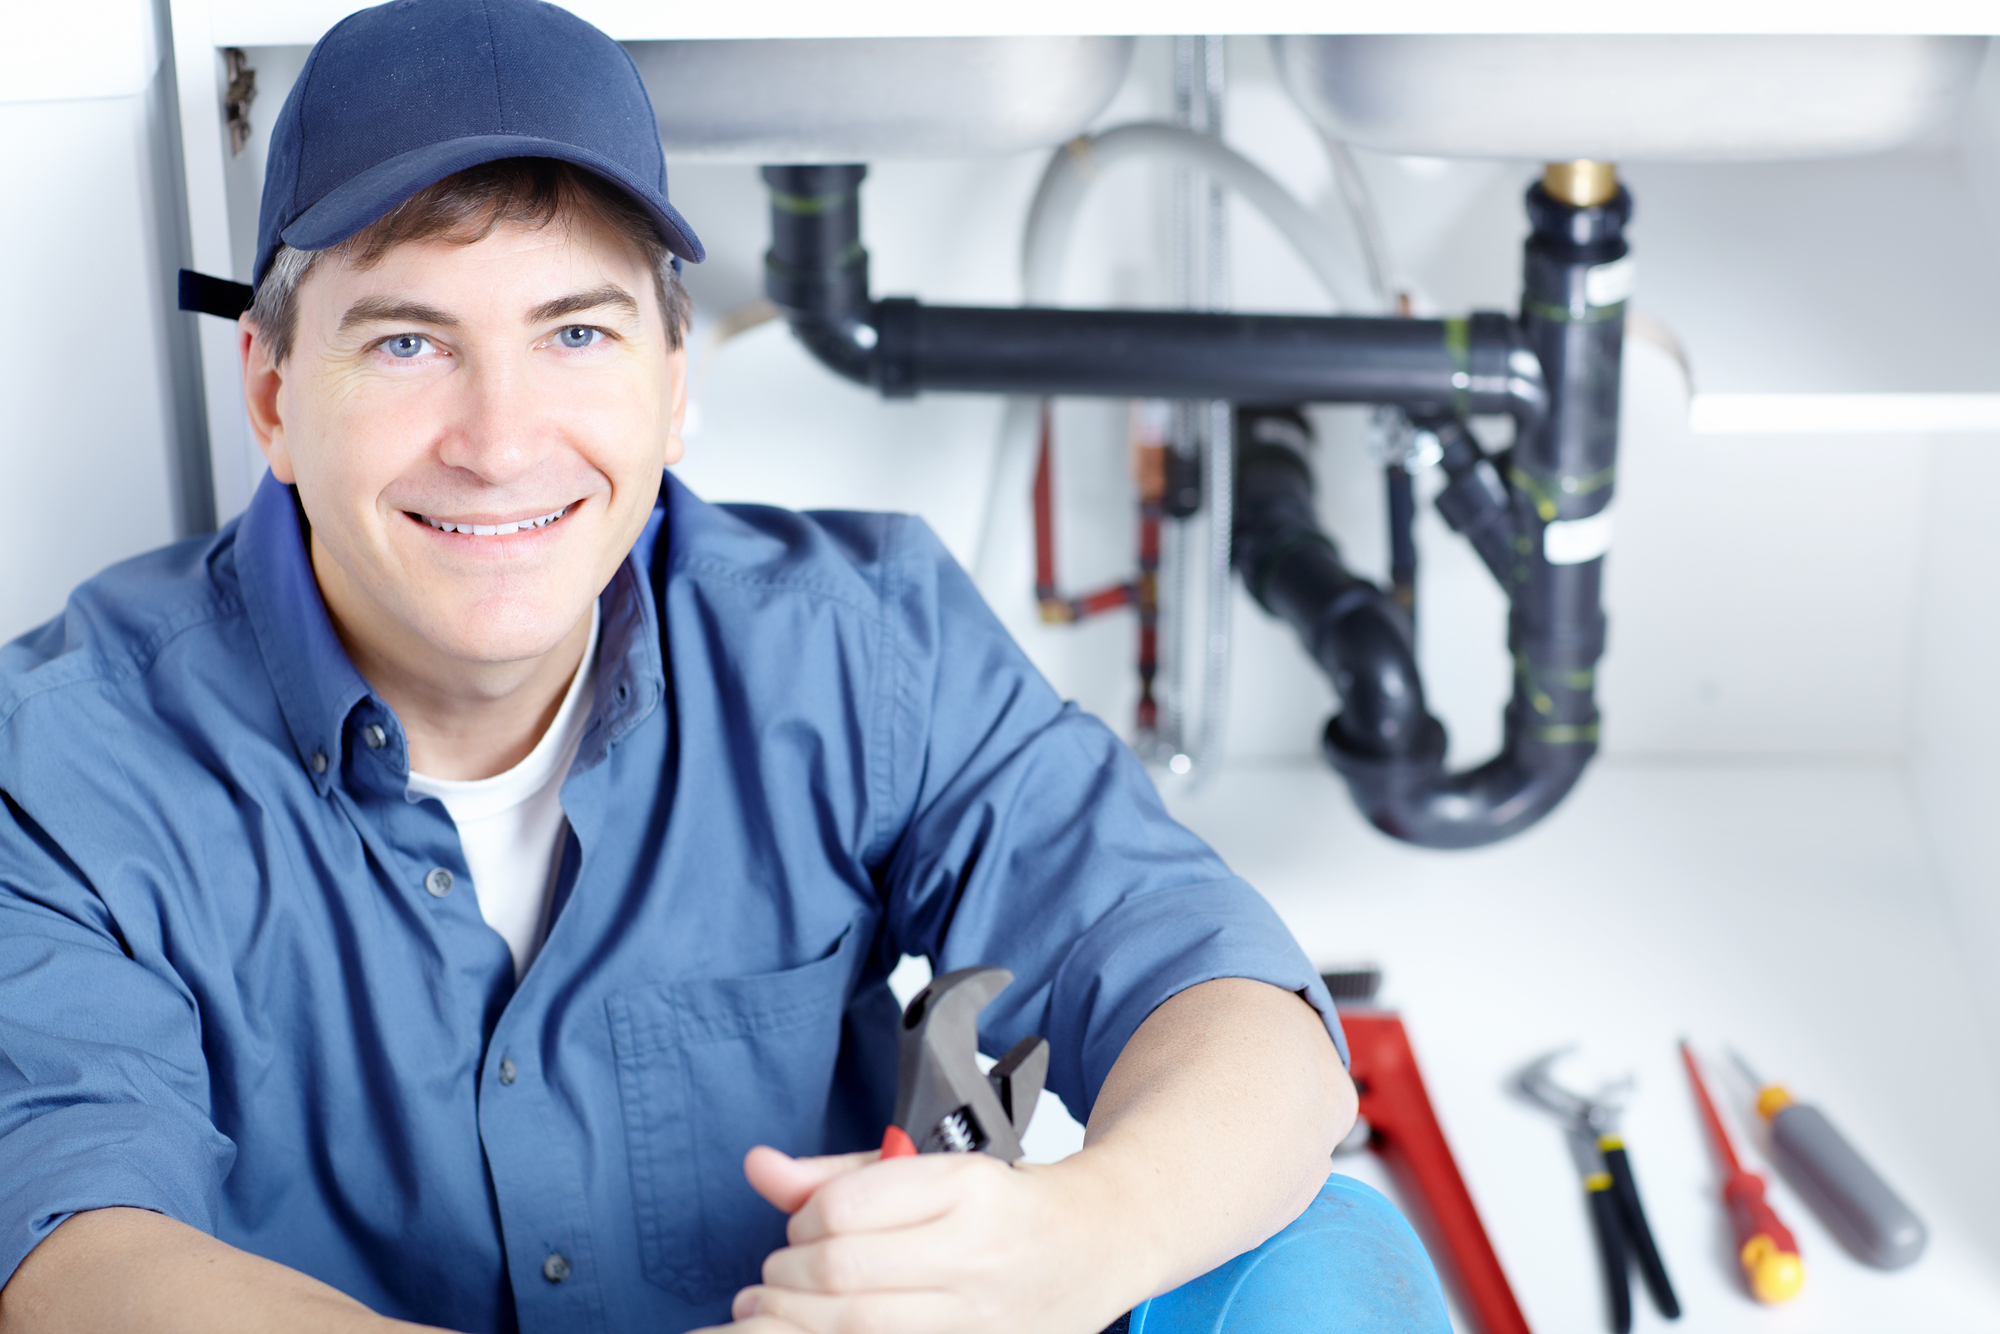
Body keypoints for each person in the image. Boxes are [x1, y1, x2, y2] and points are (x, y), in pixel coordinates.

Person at [0, 2, 1450, 1331]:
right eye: (406, 343)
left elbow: (1223, 988)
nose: (500, 439)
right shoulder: (67, 760)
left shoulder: (857, 644)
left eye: (577, 330)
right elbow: (76, 1260)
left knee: (1318, 1255)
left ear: (676, 382)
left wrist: (1082, 1235)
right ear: (270, 389)